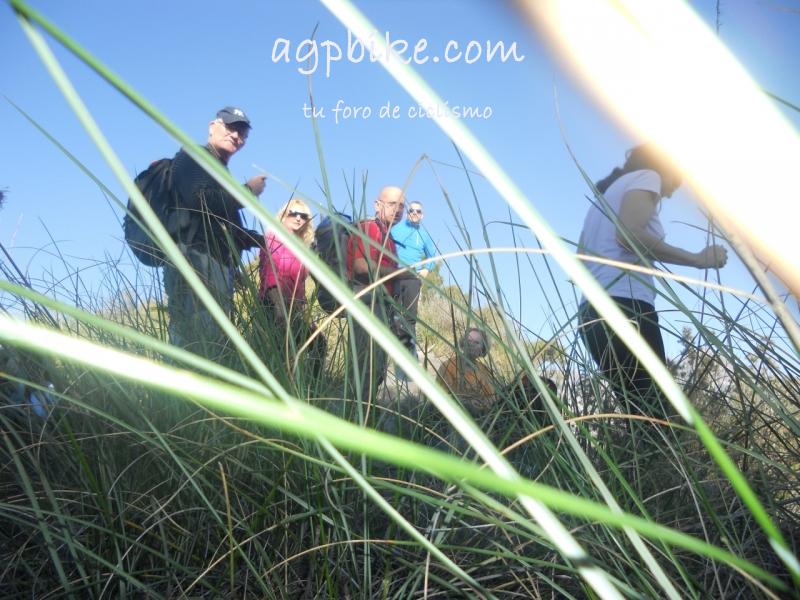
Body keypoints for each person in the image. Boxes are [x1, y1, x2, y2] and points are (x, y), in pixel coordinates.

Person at [577, 144, 728, 417]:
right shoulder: (649, 176)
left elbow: (580, 260)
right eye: (674, 183)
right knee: (660, 417)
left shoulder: (602, 200)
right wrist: (698, 258)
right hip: (627, 308)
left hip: (590, 317)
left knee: (641, 417)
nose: (668, 193)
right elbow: (628, 234)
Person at [163, 107, 267, 361]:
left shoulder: (220, 170)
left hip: (217, 264)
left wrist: (255, 242)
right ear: (212, 126)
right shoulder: (194, 156)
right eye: (230, 127)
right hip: (194, 257)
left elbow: (222, 223)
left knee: (213, 338)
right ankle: (179, 396)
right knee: (195, 336)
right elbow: (200, 201)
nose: (235, 135)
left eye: (242, 133)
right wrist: (248, 192)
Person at [346, 186, 408, 402]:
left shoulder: (388, 236)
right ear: (377, 204)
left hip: (382, 305)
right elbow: (361, 266)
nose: (398, 209)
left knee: (377, 367)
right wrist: (401, 273)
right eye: (392, 204)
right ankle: (356, 415)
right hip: (367, 300)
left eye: (402, 205)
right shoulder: (369, 228)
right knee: (366, 365)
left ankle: (364, 413)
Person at [259, 197, 326, 380]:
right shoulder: (274, 236)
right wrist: (279, 309)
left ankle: (312, 389)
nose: (298, 218)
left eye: (303, 216)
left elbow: (300, 284)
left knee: (317, 343)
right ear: (283, 215)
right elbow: (269, 271)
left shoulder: (302, 247)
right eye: (293, 213)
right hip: (274, 300)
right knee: (284, 350)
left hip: (295, 304)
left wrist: (303, 309)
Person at [390, 200, 436, 361]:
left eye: (418, 211)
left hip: (412, 278)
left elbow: (433, 256)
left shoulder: (424, 236)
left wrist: (427, 269)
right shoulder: (396, 229)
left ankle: (409, 354)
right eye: (411, 210)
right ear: (407, 213)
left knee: (410, 317)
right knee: (391, 312)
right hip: (393, 275)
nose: (414, 213)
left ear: (422, 215)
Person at [436, 327, 499, 415]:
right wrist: (466, 403)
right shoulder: (448, 366)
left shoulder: (484, 371)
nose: (471, 344)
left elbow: (492, 397)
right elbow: (440, 396)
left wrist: (483, 403)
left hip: (480, 418)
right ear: (463, 343)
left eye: (476, 342)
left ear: (482, 350)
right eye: (469, 340)